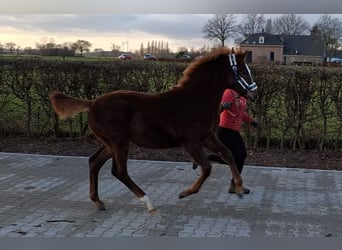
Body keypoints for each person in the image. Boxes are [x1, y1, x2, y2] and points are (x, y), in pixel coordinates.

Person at [193, 88, 257, 194]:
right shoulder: (229, 92)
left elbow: (240, 112)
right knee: (237, 157)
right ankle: (235, 186)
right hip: (224, 129)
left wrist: (252, 121)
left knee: (241, 156)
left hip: (234, 131)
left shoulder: (241, 96)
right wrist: (222, 106)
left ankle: (207, 158)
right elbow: (215, 110)